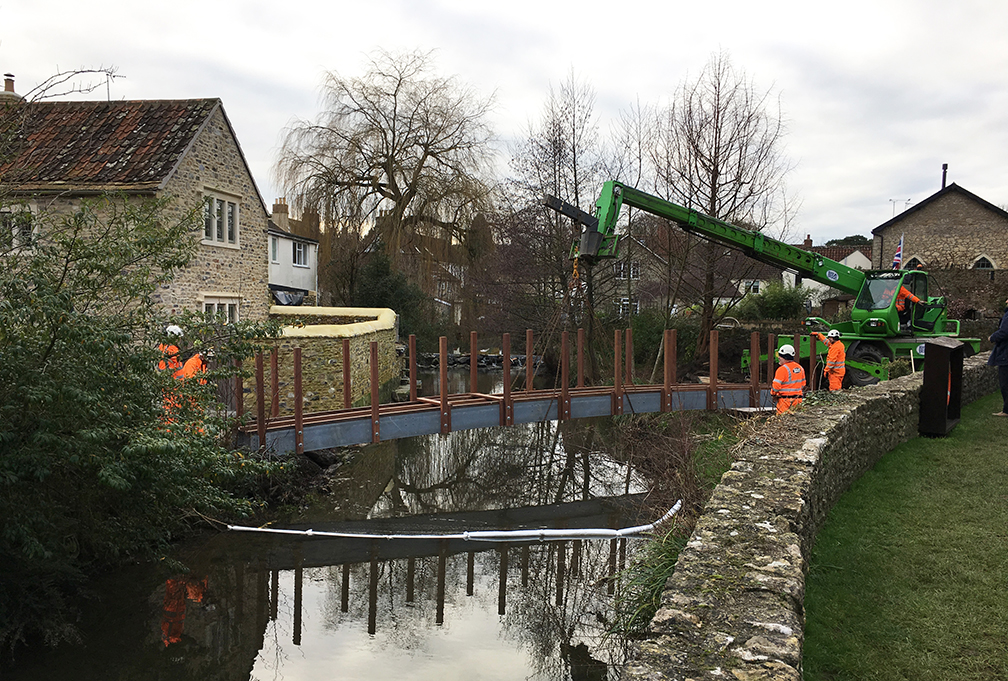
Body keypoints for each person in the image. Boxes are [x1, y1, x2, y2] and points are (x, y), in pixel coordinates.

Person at [771, 344, 806, 414]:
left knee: (782, 419)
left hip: (785, 402)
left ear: (785, 357)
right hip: (798, 401)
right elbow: (803, 384)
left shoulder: (782, 370)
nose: (778, 357)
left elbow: (775, 387)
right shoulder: (800, 368)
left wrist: (773, 394)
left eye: (780, 356)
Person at [989, 295, 1008, 417]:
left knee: (1005, 383)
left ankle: (1006, 411)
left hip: (1006, 354)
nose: (1006, 301)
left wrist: (992, 337)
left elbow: (1004, 332)